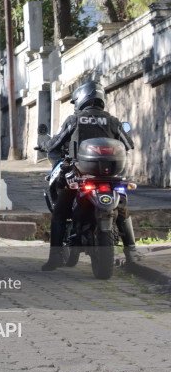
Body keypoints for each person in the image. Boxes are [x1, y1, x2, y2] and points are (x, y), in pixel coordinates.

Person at [38, 81, 136, 270]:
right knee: (122, 209)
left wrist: (44, 143)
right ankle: (131, 252)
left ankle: (56, 256)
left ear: (82, 99)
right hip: (109, 177)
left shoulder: (74, 120)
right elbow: (128, 144)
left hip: (80, 174)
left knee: (60, 212)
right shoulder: (113, 121)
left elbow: (53, 145)